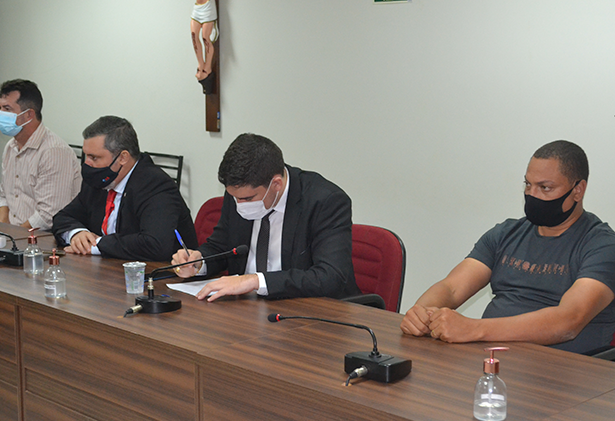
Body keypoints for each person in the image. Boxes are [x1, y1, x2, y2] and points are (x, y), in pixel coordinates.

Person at [401, 140, 615, 355]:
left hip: (565, 368)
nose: (532, 194)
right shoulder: (506, 233)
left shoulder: (602, 245)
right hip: (493, 358)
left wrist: (474, 329)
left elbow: (568, 321)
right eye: (528, 184)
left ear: (578, 190)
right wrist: (422, 313)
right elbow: (452, 288)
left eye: (545, 188)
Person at [171, 133, 360, 302]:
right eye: (234, 197)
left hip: (308, 310)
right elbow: (222, 247)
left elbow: (330, 277)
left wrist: (256, 281)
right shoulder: (239, 192)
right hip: (246, 308)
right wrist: (198, 262)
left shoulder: (325, 201)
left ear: (276, 184)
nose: (240, 204)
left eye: (247, 199)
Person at [52, 116, 198, 261]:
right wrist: (77, 234)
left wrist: (98, 245)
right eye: (86, 156)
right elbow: (63, 217)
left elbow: (155, 244)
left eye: (94, 157)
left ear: (123, 157)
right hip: (108, 268)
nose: (87, 164)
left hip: (160, 272)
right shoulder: (97, 181)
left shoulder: (156, 185)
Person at [0, 79, 81, 231]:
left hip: (44, 237)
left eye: (7, 109)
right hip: (15, 235)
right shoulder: (10, 147)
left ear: (29, 115)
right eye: (0, 108)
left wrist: (13, 236)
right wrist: (1, 230)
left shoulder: (54, 151)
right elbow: (4, 197)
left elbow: (49, 215)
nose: (1, 114)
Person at [190, 0, 218, 87]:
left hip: (208, 8)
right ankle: (201, 64)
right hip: (197, 8)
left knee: (205, 38)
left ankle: (207, 68)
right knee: (194, 36)